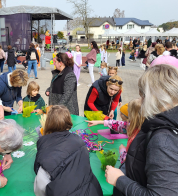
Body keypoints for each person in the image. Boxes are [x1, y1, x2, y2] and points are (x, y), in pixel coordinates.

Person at [105, 64, 178, 196]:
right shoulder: (162, 124)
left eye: (143, 96)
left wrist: (119, 180)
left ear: (154, 96)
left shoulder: (164, 139)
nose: (141, 101)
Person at [34, 105, 103, 196]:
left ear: (48, 123)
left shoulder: (46, 152)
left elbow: (40, 186)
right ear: (69, 122)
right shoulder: (79, 141)